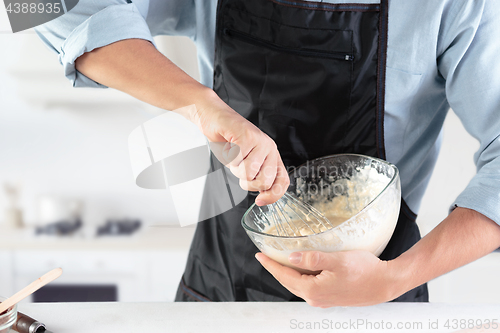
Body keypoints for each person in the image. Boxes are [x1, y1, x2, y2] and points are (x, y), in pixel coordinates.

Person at [35, 0, 500, 306]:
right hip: (221, 289)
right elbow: (35, 7)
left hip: (375, 296)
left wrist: (396, 278)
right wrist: (200, 105)